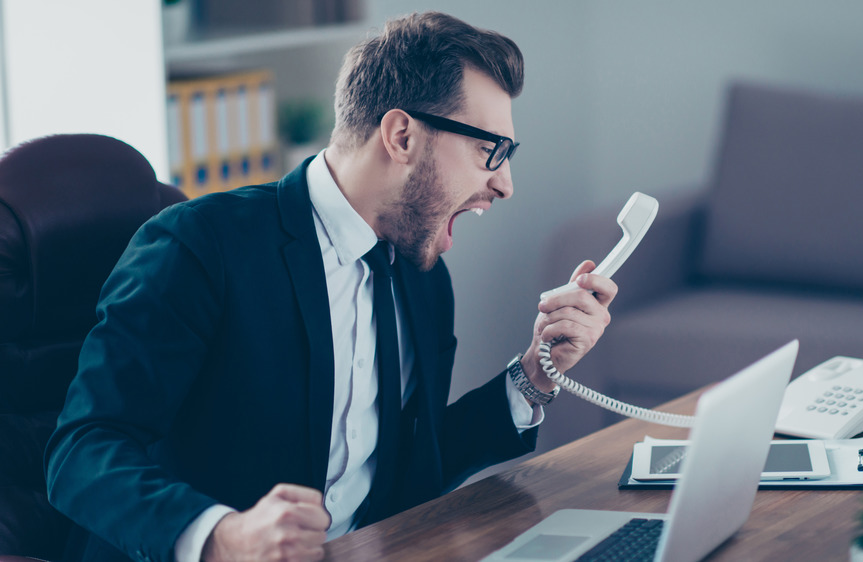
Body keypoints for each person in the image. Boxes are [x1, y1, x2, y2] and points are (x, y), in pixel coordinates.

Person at [45, 11, 616, 562]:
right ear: (401, 136)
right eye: (489, 150)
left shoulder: (423, 279)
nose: (505, 183)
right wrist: (221, 537)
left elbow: (414, 464)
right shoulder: (201, 245)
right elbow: (82, 451)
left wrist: (537, 372)